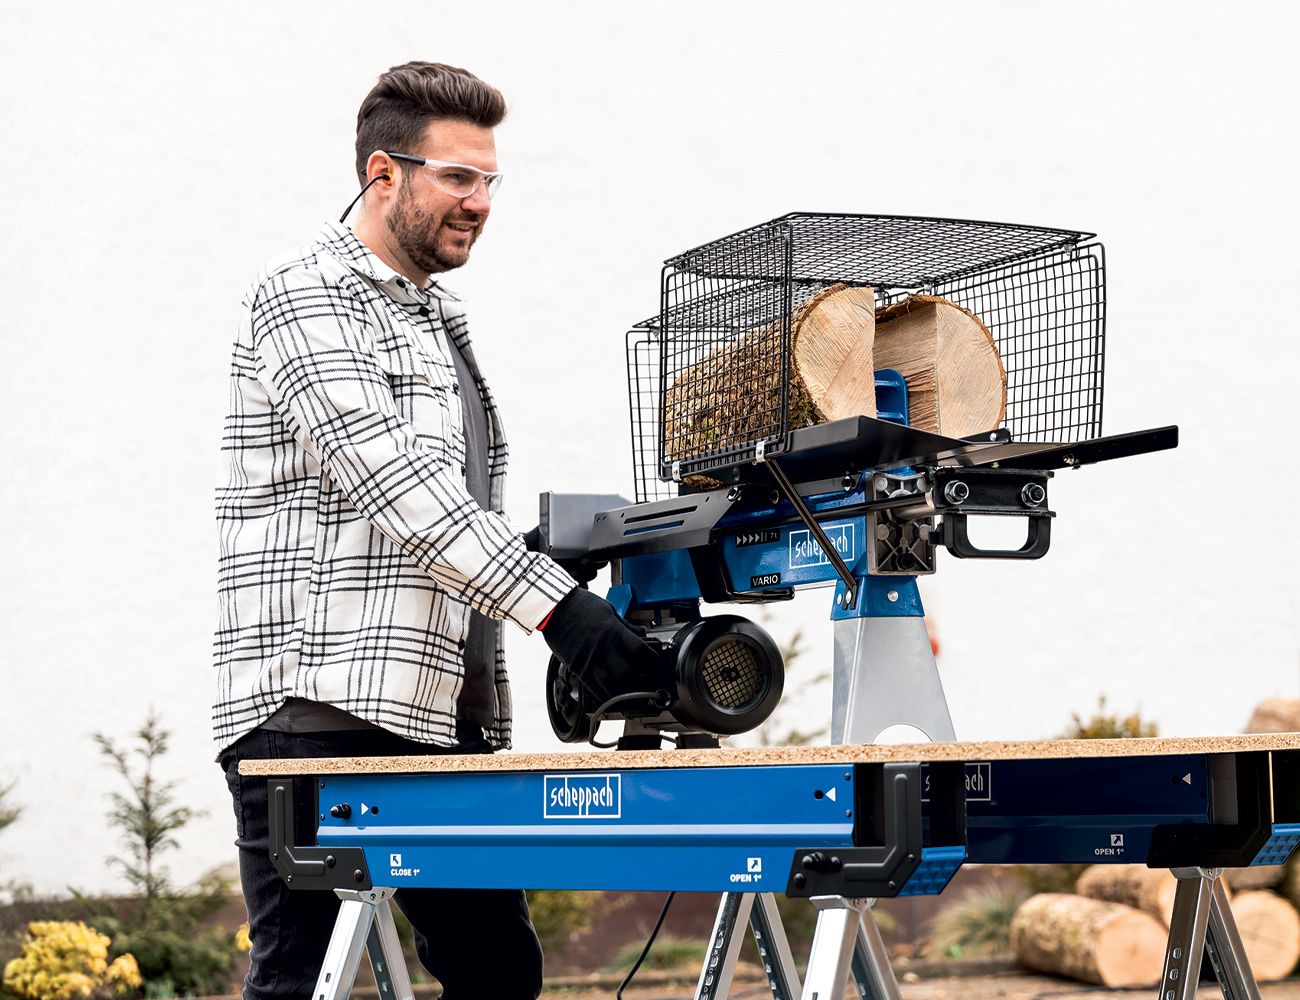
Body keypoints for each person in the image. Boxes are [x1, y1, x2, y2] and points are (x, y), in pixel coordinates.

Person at [213, 61, 657, 1000]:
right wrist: (563, 615)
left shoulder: (439, 320)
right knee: (300, 981)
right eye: (458, 176)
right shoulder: (304, 296)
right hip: (315, 716)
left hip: (437, 720)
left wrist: (564, 573)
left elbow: (458, 514)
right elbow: (397, 487)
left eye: (490, 179)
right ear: (385, 174)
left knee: (498, 972)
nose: (481, 201)